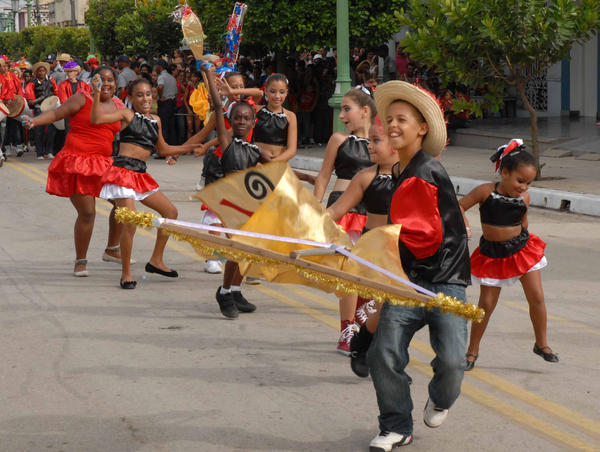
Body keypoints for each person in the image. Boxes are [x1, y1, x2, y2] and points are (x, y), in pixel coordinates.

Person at [367, 80, 470, 450]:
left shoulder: (423, 173)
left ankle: (441, 398)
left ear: (422, 128)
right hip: (410, 280)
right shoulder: (402, 171)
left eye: (402, 120)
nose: (392, 125)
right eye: (389, 119)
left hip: (443, 280)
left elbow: (423, 238)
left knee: (454, 362)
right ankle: (396, 424)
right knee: (383, 352)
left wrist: (375, 251)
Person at [90, 76, 201, 289]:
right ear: (130, 98)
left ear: (154, 96)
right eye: (139, 95)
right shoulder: (126, 114)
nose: (145, 99)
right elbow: (96, 119)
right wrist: (96, 93)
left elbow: (164, 149)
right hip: (122, 173)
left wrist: (191, 147)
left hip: (140, 175)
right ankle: (126, 273)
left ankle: (156, 260)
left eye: (148, 94)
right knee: (130, 221)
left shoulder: (156, 120)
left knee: (171, 213)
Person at [459, 139, 558, 370]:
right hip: (493, 254)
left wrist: (525, 243)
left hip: (522, 250)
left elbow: (523, 223)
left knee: (537, 297)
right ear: (504, 172)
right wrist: (463, 223)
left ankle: (541, 343)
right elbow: (460, 206)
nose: (524, 187)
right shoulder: (485, 191)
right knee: (486, 304)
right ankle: (472, 350)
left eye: (528, 183)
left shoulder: (524, 198)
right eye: (520, 180)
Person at [20, 66, 128, 277]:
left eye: (110, 80)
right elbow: (56, 113)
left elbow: (130, 131)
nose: (106, 83)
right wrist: (34, 121)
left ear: (116, 84)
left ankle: (112, 249)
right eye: (101, 79)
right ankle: (80, 261)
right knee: (87, 213)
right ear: (92, 81)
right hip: (77, 162)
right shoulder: (82, 99)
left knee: (123, 204)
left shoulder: (118, 105)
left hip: (104, 163)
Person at [326, 117, 398, 376]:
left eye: (376, 141)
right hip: (371, 248)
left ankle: (381, 353)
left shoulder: (413, 176)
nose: (369, 146)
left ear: (396, 144)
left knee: (392, 307)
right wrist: (313, 223)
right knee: (354, 284)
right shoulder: (366, 176)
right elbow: (337, 209)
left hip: (400, 251)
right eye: (369, 141)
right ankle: (353, 335)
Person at [313, 85, 375, 354]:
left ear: (365, 111)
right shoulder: (339, 140)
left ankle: (363, 321)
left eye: (347, 109)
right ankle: (346, 329)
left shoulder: (381, 143)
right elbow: (324, 175)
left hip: (373, 211)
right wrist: (315, 206)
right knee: (348, 270)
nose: (342, 116)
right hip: (344, 209)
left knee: (369, 271)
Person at [202, 64, 261, 319]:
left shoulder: (253, 149)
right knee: (237, 249)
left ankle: (235, 288)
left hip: (248, 202)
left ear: (252, 121)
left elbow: (277, 166)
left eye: (246, 118)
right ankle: (225, 291)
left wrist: (308, 177)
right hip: (229, 202)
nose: (241, 121)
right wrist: (208, 75)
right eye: (236, 118)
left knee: (246, 249)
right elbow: (217, 107)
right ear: (230, 121)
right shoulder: (227, 142)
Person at [24, 62, 58, 160]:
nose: (42, 73)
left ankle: (49, 151)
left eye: (43, 70)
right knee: (39, 131)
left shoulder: (51, 81)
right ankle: (40, 153)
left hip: (51, 108)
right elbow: (30, 102)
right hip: (39, 108)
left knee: (51, 130)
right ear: (36, 73)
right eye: (40, 71)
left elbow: (56, 93)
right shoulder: (32, 84)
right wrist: (41, 98)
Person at [154, 60, 178, 145]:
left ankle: (164, 148)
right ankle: (172, 147)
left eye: (156, 66)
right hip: (171, 103)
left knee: (163, 127)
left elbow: (160, 86)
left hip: (164, 103)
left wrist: (160, 97)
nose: (155, 68)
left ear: (159, 67)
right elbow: (176, 92)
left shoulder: (161, 76)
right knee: (171, 127)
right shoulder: (172, 77)